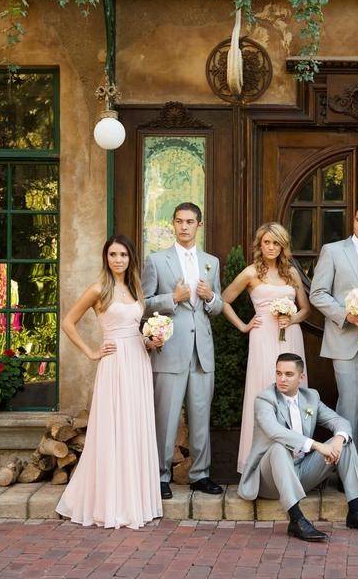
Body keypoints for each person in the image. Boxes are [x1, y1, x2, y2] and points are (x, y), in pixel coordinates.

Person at [55, 235, 163, 529]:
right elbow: (68, 322)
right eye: (113, 254)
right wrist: (91, 351)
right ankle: (111, 501)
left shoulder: (134, 288)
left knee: (134, 426)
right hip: (114, 363)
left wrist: (152, 341)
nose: (118, 260)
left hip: (139, 360)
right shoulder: (98, 289)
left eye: (123, 255)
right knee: (114, 427)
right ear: (106, 258)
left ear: (130, 259)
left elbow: (134, 326)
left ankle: (135, 499)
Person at [237, 353, 358, 542]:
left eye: (289, 374)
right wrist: (316, 445)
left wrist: (338, 439)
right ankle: (296, 520)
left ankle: (355, 511)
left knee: (343, 441)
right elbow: (275, 431)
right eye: (278, 373)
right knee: (279, 448)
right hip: (270, 480)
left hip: (302, 473)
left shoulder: (310, 397)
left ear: (301, 377)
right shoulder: (264, 399)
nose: (282, 379)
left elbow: (340, 422)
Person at [142, 202, 224, 499]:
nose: (185, 226)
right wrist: (172, 298)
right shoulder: (157, 260)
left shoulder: (211, 262)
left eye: (190, 222)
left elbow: (218, 308)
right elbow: (145, 302)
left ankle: (200, 475)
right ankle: (160, 476)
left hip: (202, 351)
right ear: (173, 224)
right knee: (166, 417)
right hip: (169, 349)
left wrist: (210, 295)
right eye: (179, 221)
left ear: (198, 225)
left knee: (201, 415)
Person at [221, 222, 310, 473]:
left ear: (283, 246)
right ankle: (260, 463)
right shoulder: (251, 273)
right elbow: (224, 299)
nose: (271, 247)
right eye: (267, 242)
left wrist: (292, 318)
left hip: (289, 336)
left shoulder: (291, 273)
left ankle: (294, 459)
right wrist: (242, 326)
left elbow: (305, 309)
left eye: (276, 243)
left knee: (292, 392)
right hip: (262, 338)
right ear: (260, 245)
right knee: (264, 391)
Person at [309, 203, 358, 454]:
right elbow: (317, 294)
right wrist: (345, 315)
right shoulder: (333, 251)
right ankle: (344, 466)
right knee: (348, 406)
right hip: (344, 340)